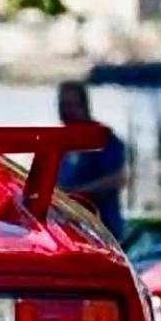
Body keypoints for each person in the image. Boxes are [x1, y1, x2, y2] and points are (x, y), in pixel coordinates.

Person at [56, 79, 128, 239]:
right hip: (69, 226)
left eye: (70, 105)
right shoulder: (59, 140)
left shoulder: (102, 138)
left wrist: (79, 191)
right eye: (62, 105)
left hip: (101, 227)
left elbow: (118, 178)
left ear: (84, 105)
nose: (66, 111)